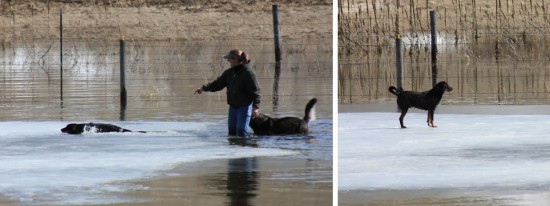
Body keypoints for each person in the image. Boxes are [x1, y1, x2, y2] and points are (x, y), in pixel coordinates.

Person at [194, 49, 261, 137]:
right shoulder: (228, 73)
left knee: (241, 133)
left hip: (244, 107)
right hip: (232, 108)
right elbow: (218, 84)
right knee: (231, 133)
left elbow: (256, 92)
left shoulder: (249, 73)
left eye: (229, 58)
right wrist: (203, 88)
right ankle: (232, 149)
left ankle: (244, 149)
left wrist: (255, 108)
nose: (228, 60)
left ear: (236, 59)